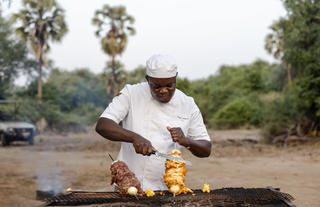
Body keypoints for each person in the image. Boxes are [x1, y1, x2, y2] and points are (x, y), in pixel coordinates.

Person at [96, 54, 211, 190]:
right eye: (156, 86)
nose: (163, 91)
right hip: (128, 186)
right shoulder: (131, 93)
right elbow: (103, 125)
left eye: (169, 85)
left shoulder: (187, 104)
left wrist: (186, 141)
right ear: (148, 79)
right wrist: (134, 137)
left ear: (176, 78)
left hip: (168, 189)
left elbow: (206, 149)